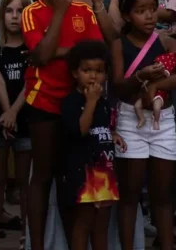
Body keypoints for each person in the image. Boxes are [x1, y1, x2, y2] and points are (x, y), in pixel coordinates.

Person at [21, 0, 104, 250]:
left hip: (80, 103)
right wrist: (58, 14)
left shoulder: (83, 10)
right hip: (44, 101)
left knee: (72, 178)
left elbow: (96, 54)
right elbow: (42, 56)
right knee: (42, 175)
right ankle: (38, 244)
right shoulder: (32, 12)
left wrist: (60, 52)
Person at [111, 0, 176, 250]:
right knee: (130, 194)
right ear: (125, 16)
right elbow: (118, 86)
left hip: (163, 120)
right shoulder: (119, 45)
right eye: (140, 11)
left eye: (152, 10)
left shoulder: (166, 41)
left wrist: (158, 85)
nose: (149, 16)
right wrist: (141, 77)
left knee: (163, 192)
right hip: (129, 120)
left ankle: (166, 243)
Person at [0, 0, 34, 250]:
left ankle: (27, 231)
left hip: (25, 121)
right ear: (2, 15)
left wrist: (14, 113)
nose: (15, 17)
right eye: (9, 11)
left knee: (25, 181)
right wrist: (6, 115)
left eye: (20, 11)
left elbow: (30, 83)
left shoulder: (33, 48)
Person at [60, 40, 123, 250]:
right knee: (83, 223)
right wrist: (90, 103)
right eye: (87, 70)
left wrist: (113, 135)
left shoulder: (103, 102)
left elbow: (100, 127)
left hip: (104, 172)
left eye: (99, 71)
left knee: (101, 225)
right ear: (75, 73)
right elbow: (80, 130)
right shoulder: (72, 101)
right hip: (82, 174)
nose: (93, 76)